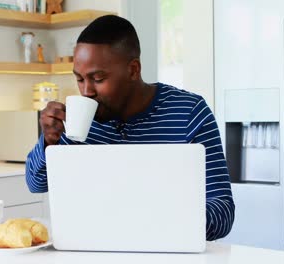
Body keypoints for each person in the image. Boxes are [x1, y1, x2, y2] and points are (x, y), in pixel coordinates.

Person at [25, 15, 235, 241]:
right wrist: (48, 142)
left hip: (167, 250)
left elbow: (223, 211)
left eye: (97, 78)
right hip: (93, 250)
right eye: (79, 79)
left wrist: (165, 221)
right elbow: (36, 184)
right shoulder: (80, 121)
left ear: (133, 70)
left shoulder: (189, 112)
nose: (86, 91)